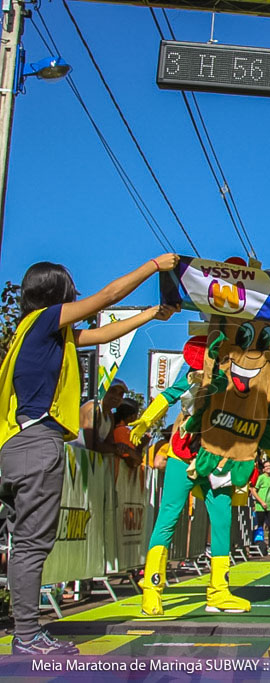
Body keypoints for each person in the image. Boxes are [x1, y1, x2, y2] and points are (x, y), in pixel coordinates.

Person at [0, 256, 178, 655]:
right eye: (70, 289)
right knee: (31, 544)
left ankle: (27, 632)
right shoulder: (47, 319)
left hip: (14, 445)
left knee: (22, 543)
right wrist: (153, 266)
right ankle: (26, 636)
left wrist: (152, 313)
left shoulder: (39, 333)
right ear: (56, 292)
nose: (76, 295)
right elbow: (108, 298)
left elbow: (102, 334)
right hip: (37, 443)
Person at [78, 377, 127, 454]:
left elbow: (109, 443)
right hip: (73, 457)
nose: (116, 397)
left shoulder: (109, 416)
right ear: (104, 391)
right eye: (112, 391)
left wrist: (119, 447)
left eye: (120, 394)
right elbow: (92, 445)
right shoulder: (93, 408)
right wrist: (116, 448)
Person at [251, 459, 270, 556]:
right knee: (259, 526)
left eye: (269, 466)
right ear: (263, 469)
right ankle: (259, 545)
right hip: (260, 506)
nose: (268, 468)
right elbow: (253, 490)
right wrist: (261, 502)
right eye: (266, 466)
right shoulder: (261, 478)